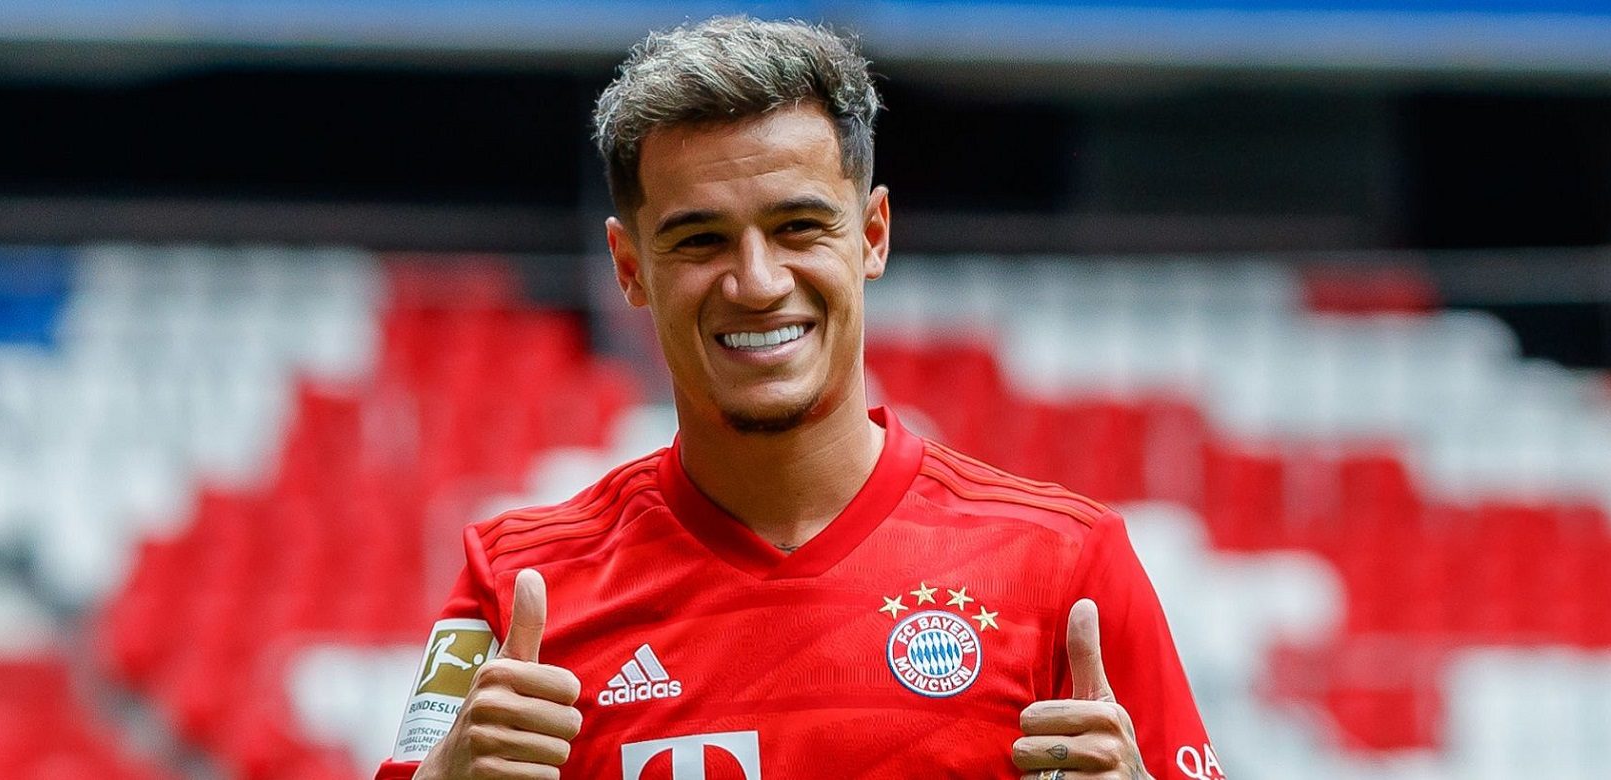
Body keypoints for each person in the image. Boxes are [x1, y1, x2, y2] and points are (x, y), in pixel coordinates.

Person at [375, 16, 1219, 780]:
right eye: (700, 239)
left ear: (873, 235)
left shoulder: (1066, 567)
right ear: (630, 268)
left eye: (798, 228)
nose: (756, 282)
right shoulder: (519, 585)